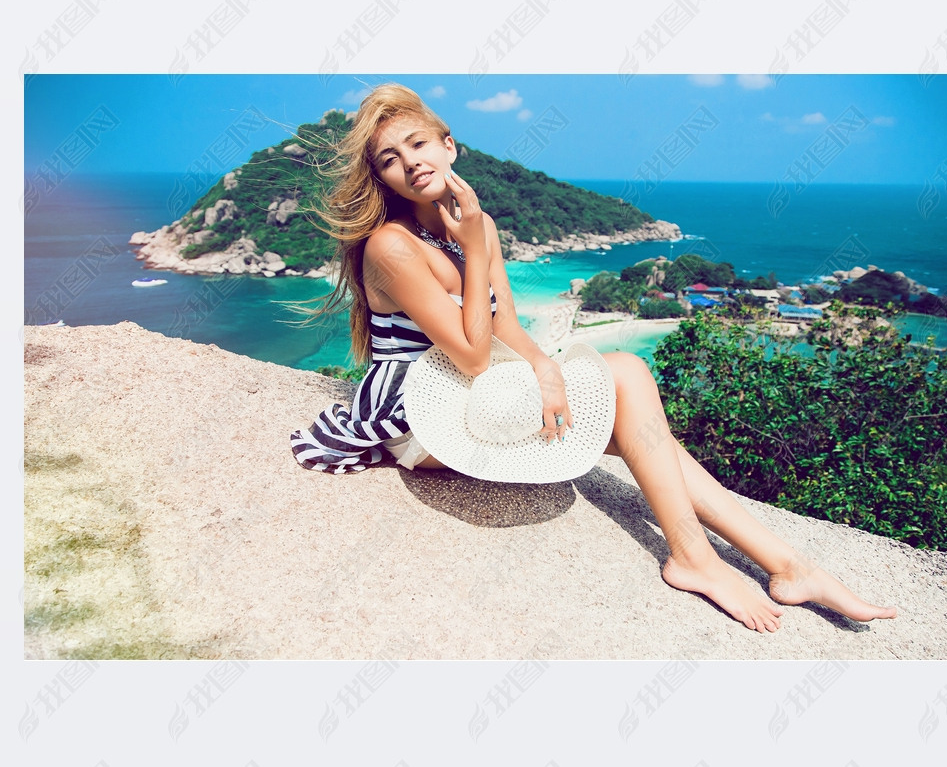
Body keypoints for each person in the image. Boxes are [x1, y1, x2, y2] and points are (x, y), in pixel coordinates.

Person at [291, 84, 898, 634]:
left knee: (640, 429)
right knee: (629, 377)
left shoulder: (474, 224)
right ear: (382, 179)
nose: (409, 162)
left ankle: (787, 564)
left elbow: (506, 328)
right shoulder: (392, 246)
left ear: (450, 146)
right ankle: (695, 558)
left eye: (418, 143)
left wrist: (546, 367)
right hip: (419, 412)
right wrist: (476, 250)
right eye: (389, 160)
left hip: (476, 389)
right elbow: (476, 355)